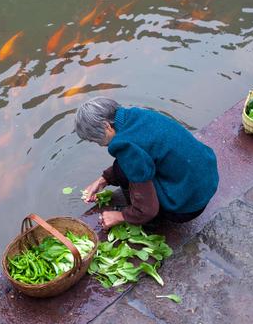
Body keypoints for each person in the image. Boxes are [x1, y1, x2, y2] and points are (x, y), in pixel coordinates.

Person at [76, 97, 219, 230]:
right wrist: (104, 180)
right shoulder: (137, 114)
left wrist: (120, 216)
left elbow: (148, 210)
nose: (100, 145)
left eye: (96, 139)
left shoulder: (125, 145)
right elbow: (140, 155)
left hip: (187, 206)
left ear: (107, 126)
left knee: (126, 174)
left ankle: (153, 222)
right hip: (208, 180)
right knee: (124, 167)